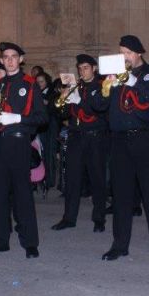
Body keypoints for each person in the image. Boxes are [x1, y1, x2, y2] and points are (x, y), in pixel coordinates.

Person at [100, 35, 149, 265]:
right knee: (120, 196)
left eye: (128, 53)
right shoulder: (117, 75)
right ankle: (119, 246)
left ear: (138, 53)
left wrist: (133, 82)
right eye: (121, 52)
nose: (125, 57)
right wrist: (105, 85)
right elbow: (99, 106)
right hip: (119, 141)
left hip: (145, 140)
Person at [0, 42, 48, 258]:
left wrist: (18, 118)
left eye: (13, 56)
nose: (9, 60)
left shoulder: (30, 85)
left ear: (20, 59)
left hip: (19, 143)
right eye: (5, 57)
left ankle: (30, 243)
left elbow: (42, 118)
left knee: (23, 195)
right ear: (0, 61)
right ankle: (1, 240)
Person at [51, 54, 109, 233]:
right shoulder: (75, 87)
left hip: (95, 136)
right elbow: (63, 115)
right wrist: (64, 100)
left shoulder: (102, 87)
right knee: (72, 179)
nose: (82, 71)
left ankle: (99, 218)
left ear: (94, 69)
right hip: (76, 136)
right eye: (80, 69)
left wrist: (79, 100)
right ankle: (69, 218)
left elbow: (100, 109)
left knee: (97, 179)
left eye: (86, 68)